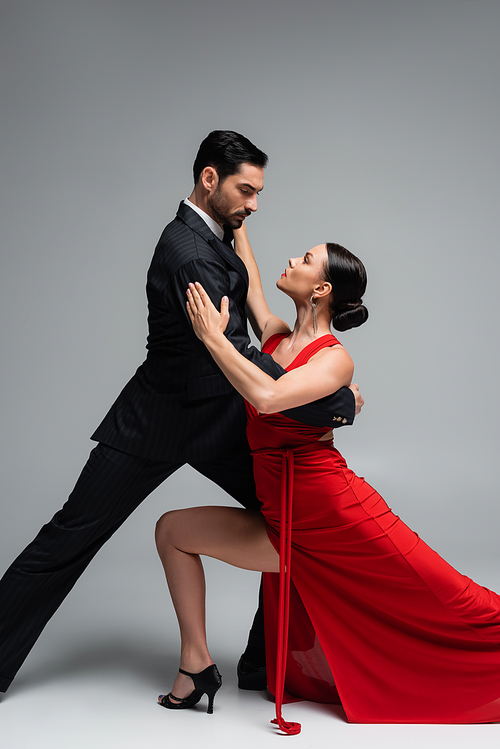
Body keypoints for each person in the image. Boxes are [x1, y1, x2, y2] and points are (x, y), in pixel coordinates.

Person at [0, 131, 362, 696]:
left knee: (292, 527)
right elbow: (230, 352)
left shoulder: (218, 227)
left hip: (219, 419)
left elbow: (246, 280)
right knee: (69, 536)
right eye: (246, 191)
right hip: (161, 420)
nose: (255, 205)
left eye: (259, 192)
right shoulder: (188, 251)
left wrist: (264, 299)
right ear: (209, 180)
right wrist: (335, 398)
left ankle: (263, 663)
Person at [155, 223, 500, 734]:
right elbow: (249, 280)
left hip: (335, 511)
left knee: (453, 597)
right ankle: (195, 664)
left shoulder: (336, 360)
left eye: (306, 258)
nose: (292, 261)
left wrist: (212, 337)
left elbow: (267, 398)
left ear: (322, 289)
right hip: (285, 519)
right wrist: (237, 226)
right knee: (172, 531)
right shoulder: (275, 337)